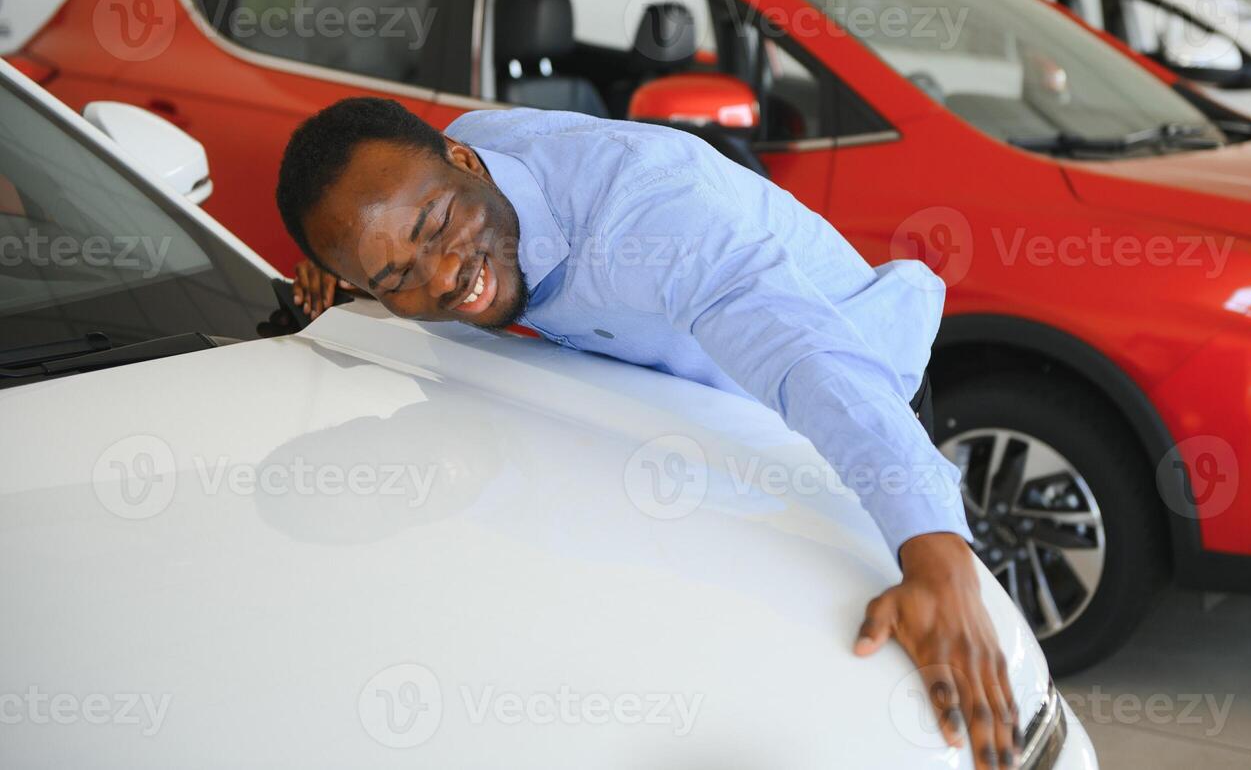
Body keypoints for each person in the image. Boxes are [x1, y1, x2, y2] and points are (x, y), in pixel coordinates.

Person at [278, 96, 1018, 768]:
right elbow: (397, 230)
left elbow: (809, 363)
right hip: (685, 445)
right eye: (394, 279)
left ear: (463, 162)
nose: (440, 278)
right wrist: (367, 274)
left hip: (843, 408)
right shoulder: (432, 183)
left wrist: (937, 557)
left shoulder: (648, 215)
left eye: (436, 225)